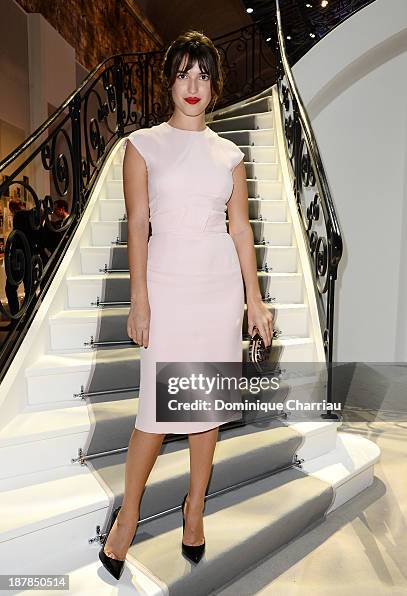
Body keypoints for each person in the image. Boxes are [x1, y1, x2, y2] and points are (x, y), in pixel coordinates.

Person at [99, 30, 273, 580]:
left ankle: (193, 511)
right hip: (168, 290)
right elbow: (138, 227)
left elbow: (241, 229)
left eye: (202, 75)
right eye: (183, 74)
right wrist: (140, 299)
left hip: (217, 289)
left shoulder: (229, 153)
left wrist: (255, 299)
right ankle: (127, 518)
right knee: (155, 413)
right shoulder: (142, 145)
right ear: (169, 82)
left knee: (206, 414)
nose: (192, 86)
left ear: (215, 86)